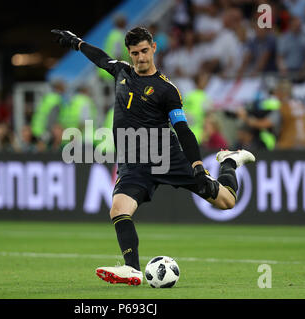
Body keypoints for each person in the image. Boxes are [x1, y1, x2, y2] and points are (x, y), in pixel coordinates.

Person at [51, 27, 255, 286]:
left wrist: (197, 166)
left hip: (166, 157)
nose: (141, 58)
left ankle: (228, 162)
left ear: (154, 48)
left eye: (145, 51)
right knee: (118, 209)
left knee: (226, 202)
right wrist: (77, 43)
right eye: (135, 53)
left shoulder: (167, 90)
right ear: (129, 53)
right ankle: (132, 269)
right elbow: (101, 58)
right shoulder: (122, 71)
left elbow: (182, 129)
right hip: (134, 163)